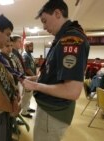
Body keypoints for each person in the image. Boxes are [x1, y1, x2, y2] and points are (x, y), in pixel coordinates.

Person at [21, 0, 90, 140]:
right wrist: (34, 79)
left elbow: (72, 91)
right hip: (50, 108)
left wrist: (35, 86)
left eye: (45, 21)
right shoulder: (61, 39)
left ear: (57, 13)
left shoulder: (70, 39)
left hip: (52, 112)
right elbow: (52, 73)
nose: (44, 27)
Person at [20, 41, 37, 118]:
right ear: (26, 46)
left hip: (31, 79)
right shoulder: (25, 55)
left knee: (29, 95)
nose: (32, 47)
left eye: (32, 46)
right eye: (31, 46)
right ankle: (24, 111)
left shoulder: (29, 55)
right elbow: (27, 69)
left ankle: (27, 107)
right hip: (28, 79)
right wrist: (34, 76)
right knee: (26, 95)